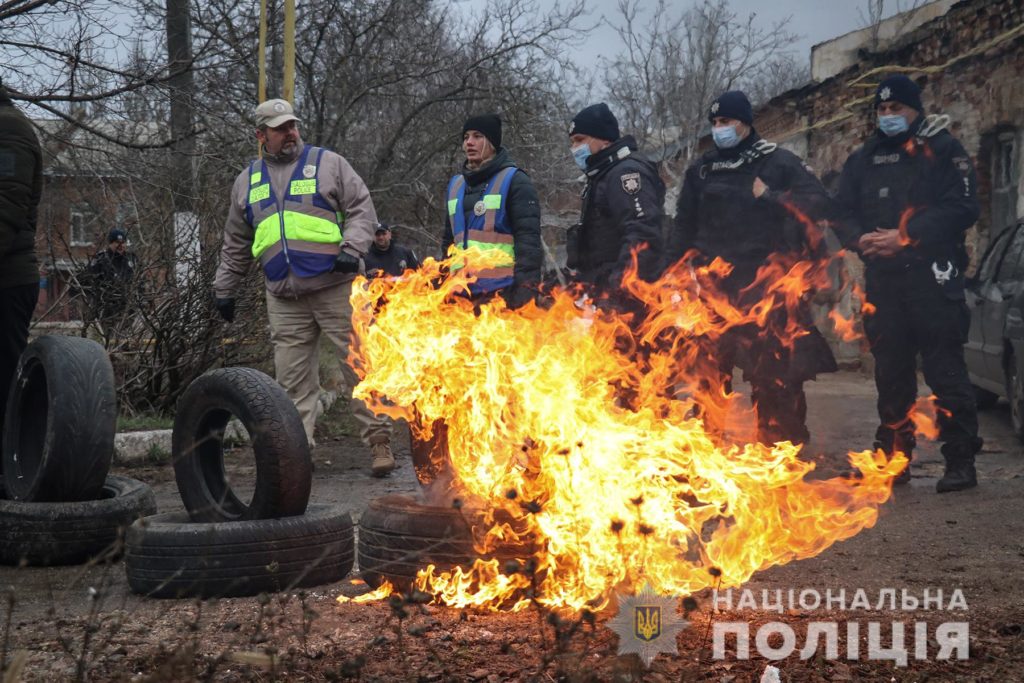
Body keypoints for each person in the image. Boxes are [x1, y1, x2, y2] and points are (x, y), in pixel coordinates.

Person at [213, 98, 396, 477]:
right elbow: (235, 241)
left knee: (361, 369)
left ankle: (380, 443)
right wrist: (224, 289)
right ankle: (299, 455)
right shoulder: (247, 182)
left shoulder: (329, 164)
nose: (290, 133)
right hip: (284, 296)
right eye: (281, 128)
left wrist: (352, 248)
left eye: (293, 125)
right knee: (291, 382)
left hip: (336, 286)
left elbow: (362, 209)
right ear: (262, 135)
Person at [833, 75, 981, 492]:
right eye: (881, 110)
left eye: (896, 108)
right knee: (892, 372)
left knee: (944, 370)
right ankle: (893, 460)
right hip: (885, 282)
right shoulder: (865, 157)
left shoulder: (943, 149)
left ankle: (961, 461)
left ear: (915, 110)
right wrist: (858, 239)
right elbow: (840, 210)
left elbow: (964, 207)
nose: (888, 116)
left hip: (933, 278)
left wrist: (907, 235)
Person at [665, 90, 837, 448]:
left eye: (725, 122)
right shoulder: (703, 168)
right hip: (714, 289)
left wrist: (773, 197)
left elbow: (820, 203)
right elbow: (684, 224)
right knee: (709, 375)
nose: (719, 129)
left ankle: (780, 450)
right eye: (714, 123)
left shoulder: (776, 162)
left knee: (774, 375)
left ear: (744, 123)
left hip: (767, 288)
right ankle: (709, 452)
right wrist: (675, 271)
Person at [442, 113, 541, 308]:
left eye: (478, 136)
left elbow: (528, 246)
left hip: (500, 297)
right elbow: (448, 244)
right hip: (459, 299)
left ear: (493, 143)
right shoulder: (455, 185)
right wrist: (443, 288)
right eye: (466, 137)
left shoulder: (515, 181)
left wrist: (524, 295)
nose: (469, 143)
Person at [566, 102, 664, 292]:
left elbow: (642, 234)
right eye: (572, 142)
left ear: (604, 139)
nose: (575, 148)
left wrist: (618, 286)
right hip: (600, 289)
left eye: (579, 140)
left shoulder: (625, 173)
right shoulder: (600, 175)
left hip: (625, 295)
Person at [0, 78, 41, 432]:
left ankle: (15, 462)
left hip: (8, 278)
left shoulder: (9, 128)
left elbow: (8, 205)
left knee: (7, 378)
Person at [85, 228, 135, 324]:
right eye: (117, 242)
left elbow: (140, 280)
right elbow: (88, 281)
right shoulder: (101, 259)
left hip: (127, 308)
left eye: (123, 242)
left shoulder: (131, 259)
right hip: (105, 308)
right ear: (110, 243)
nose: (121, 246)